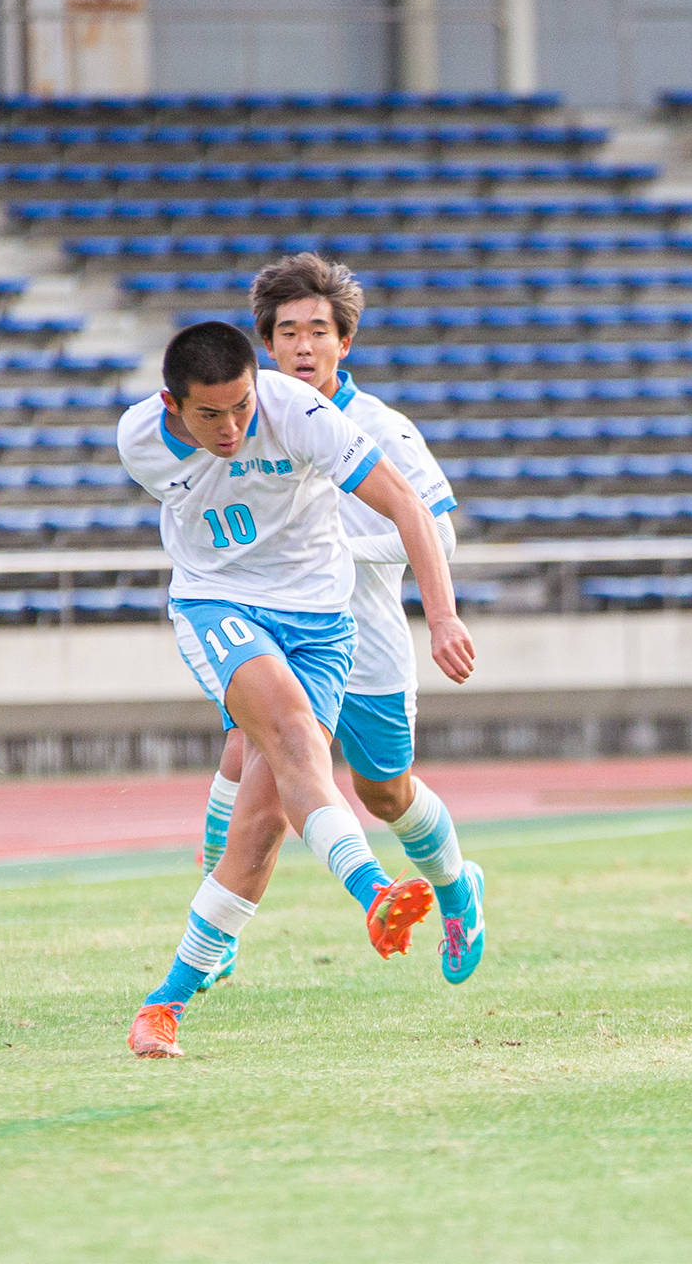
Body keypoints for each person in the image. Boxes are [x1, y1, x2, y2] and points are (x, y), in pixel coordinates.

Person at [117, 320, 473, 1058]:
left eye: (242, 408)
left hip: (322, 622)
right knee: (286, 734)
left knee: (263, 821)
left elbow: (408, 504)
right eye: (209, 414)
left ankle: (164, 1004)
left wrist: (441, 619)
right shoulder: (140, 442)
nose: (232, 427)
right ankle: (376, 892)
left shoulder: (303, 414)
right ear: (172, 405)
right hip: (221, 605)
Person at [192, 253, 485, 994]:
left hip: (368, 648)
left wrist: (339, 557)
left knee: (386, 793)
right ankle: (214, 932)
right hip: (280, 639)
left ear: (343, 343)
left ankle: (456, 889)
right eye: (287, 331)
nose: (302, 346)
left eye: (318, 331)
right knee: (246, 755)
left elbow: (438, 532)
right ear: (266, 344)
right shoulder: (240, 426)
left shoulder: (379, 425)